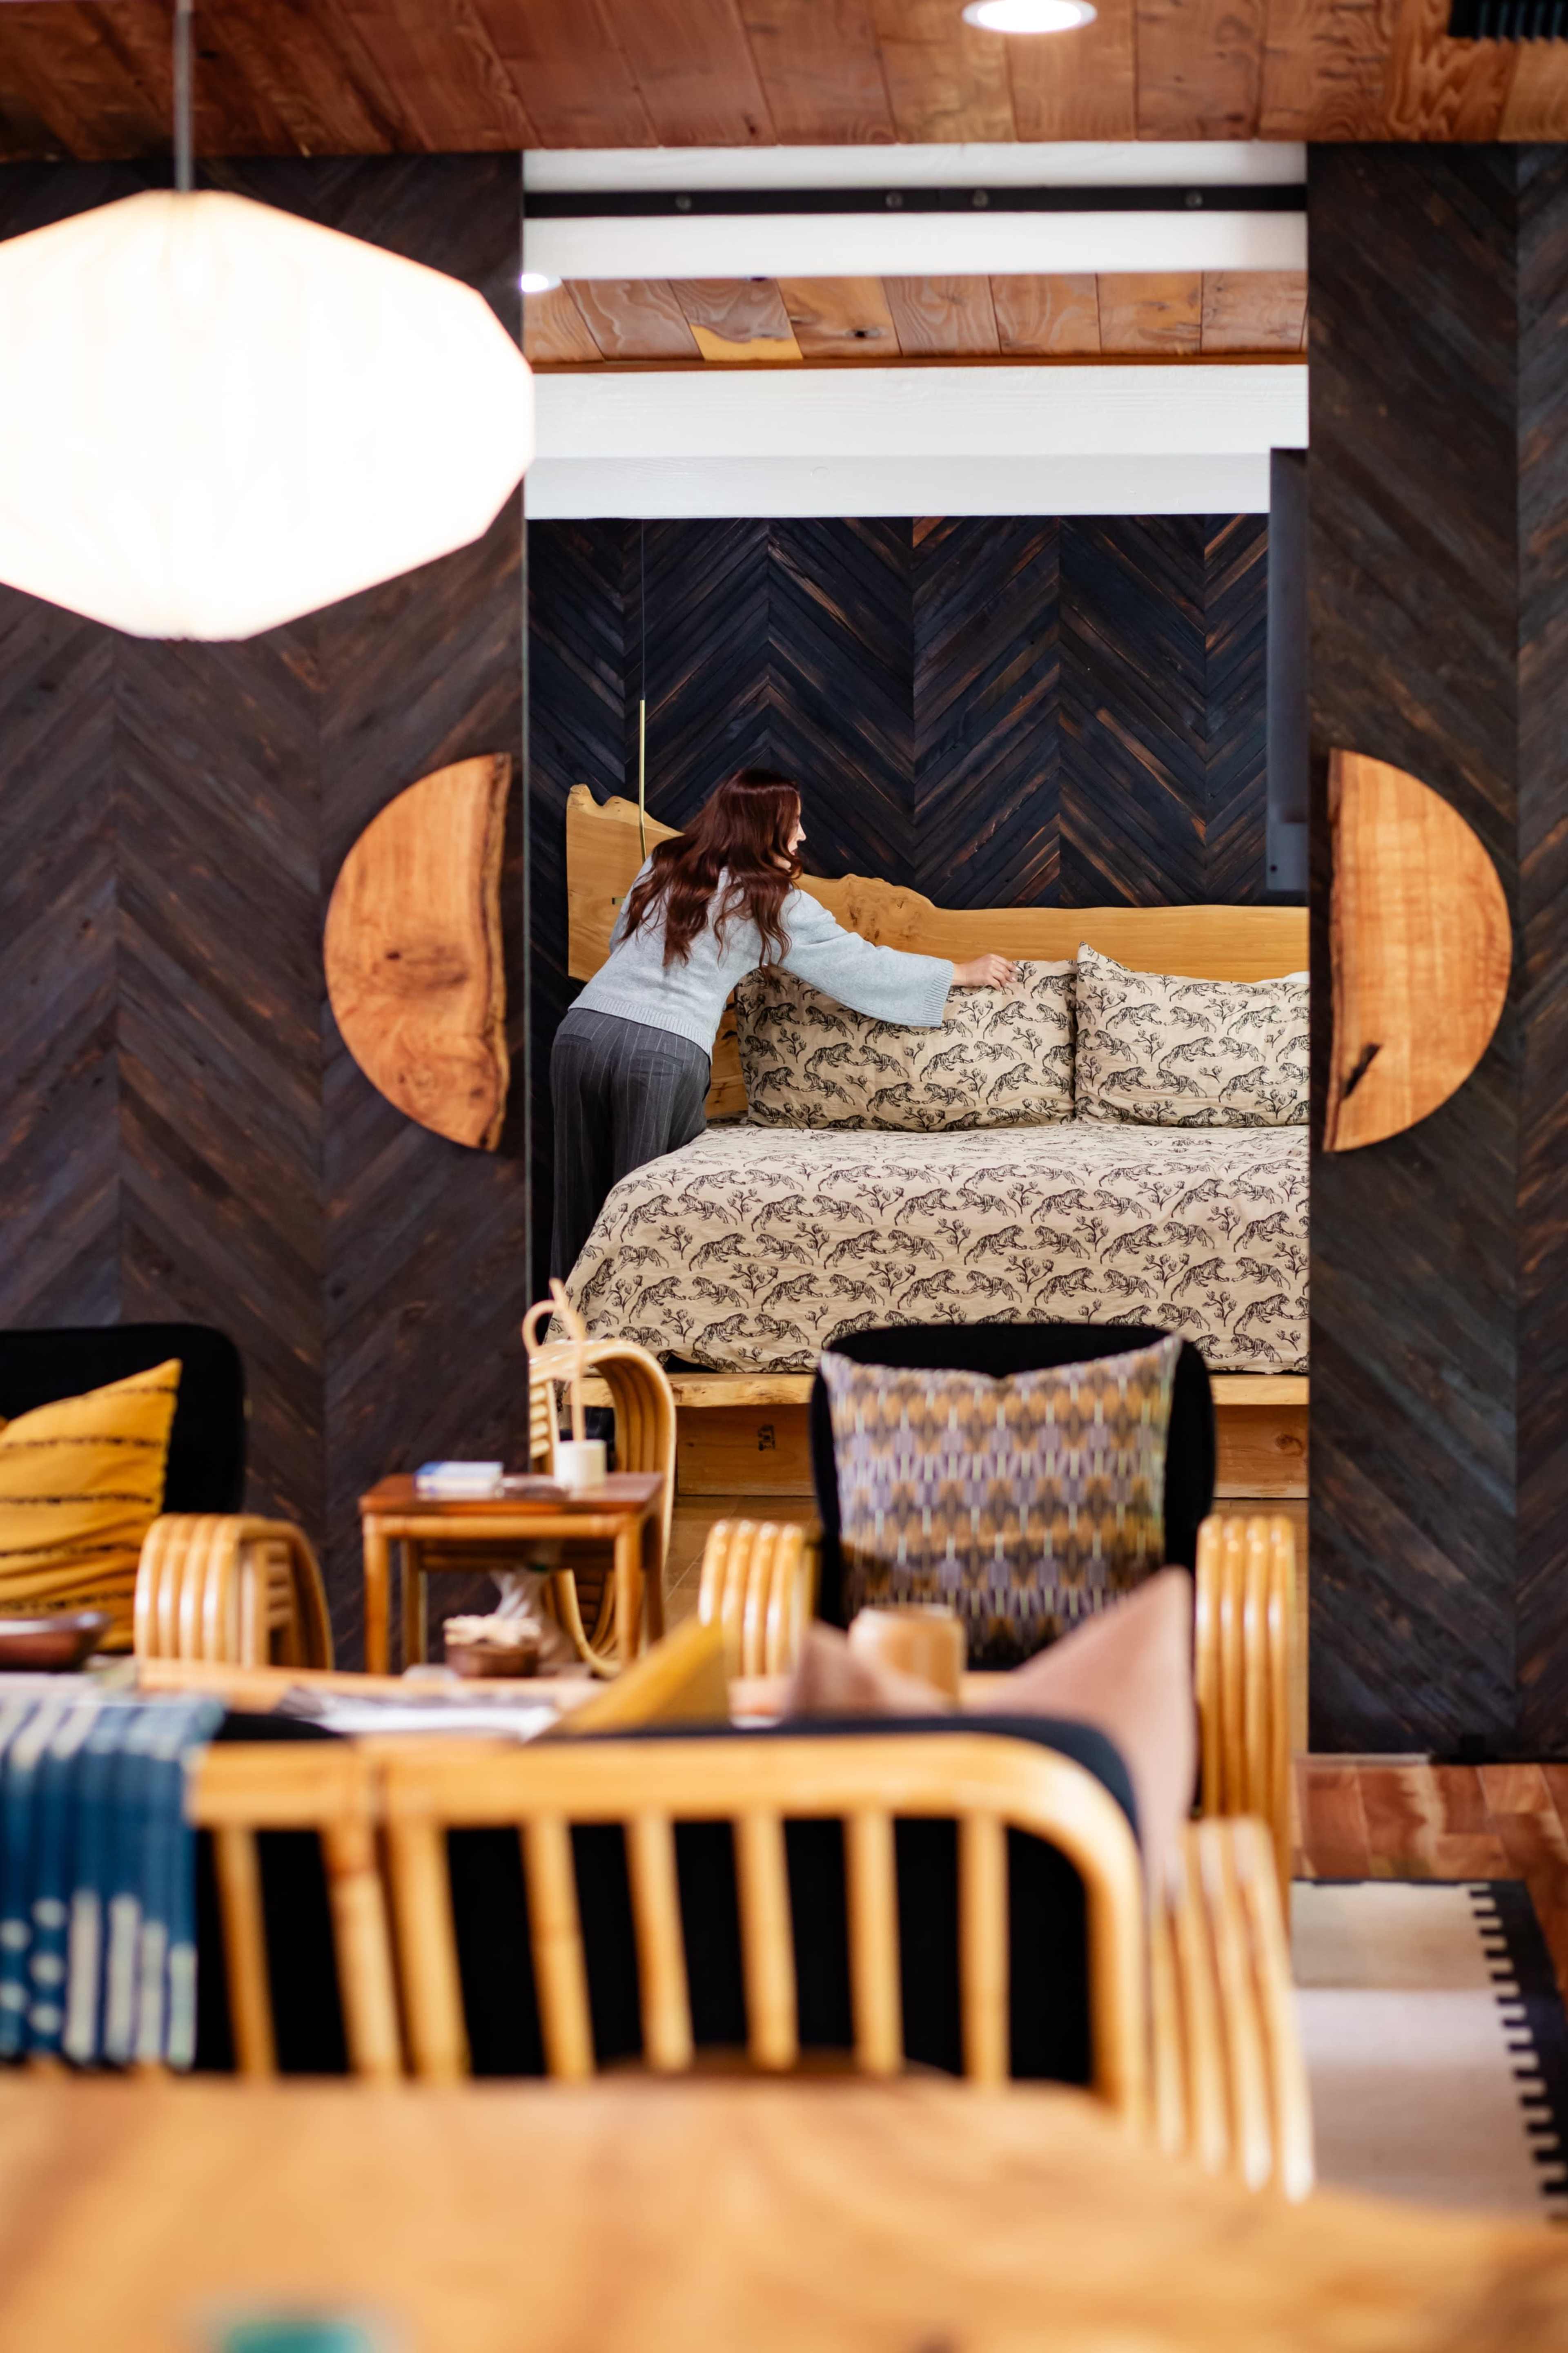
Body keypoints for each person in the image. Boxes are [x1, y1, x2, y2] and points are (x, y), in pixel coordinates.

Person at [550, 765, 1016, 1281]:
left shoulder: (665, 862)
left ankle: (560, 1341)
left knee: (578, 1197)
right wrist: (959, 971)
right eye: (793, 823)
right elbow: (860, 967)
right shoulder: (773, 901)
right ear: (761, 828)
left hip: (582, 1030)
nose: (802, 836)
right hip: (661, 1053)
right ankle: (624, 1349)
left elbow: (623, 942)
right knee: (644, 1212)